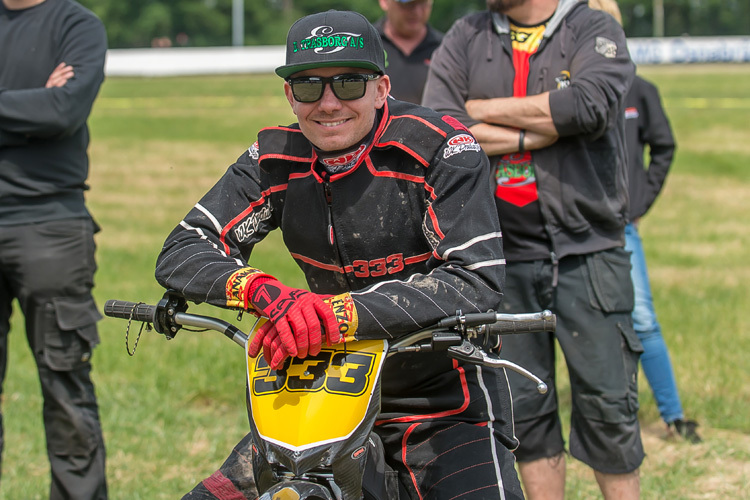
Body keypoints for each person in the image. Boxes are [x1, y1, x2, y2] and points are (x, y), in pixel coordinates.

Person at [155, 9, 523, 500]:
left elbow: (474, 279)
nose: (328, 104)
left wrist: (338, 314)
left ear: (381, 88)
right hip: (327, 393)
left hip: (444, 396)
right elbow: (183, 247)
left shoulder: (442, 147)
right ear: (289, 95)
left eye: (348, 84)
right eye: (308, 87)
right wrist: (267, 295)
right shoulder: (273, 156)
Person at [422, 0, 641, 498]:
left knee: (610, 407)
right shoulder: (466, 34)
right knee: (525, 410)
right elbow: (442, 124)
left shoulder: (593, 27)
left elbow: (586, 106)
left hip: (587, 252)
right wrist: (534, 131)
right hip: (503, 256)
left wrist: (479, 111)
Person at [0, 0, 108, 498]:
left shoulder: (76, 25)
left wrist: (49, 105)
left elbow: (64, 110)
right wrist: (29, 102)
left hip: (50, 227)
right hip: (43, 225)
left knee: (65, 385)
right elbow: (44, 108)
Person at [589, 0, 701, 444]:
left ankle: (673, 416)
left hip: (620, 227)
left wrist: (639, 201)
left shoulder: (641, 90)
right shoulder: (559, 91)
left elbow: (664, 148)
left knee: (642, 319)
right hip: (561, 228)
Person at [374, 0, 443, 104]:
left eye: (423, 4)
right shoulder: (367, 44)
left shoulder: (445, 49)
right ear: (384, 2)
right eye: (408, 5)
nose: (417, 12)